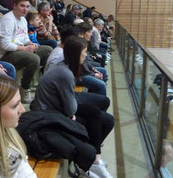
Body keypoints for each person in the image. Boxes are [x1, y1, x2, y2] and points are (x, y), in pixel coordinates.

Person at [31, 36, 114, 178]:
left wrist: (72, 111)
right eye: (84, 52)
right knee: (95, 115)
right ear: (76, 54)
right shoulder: (64, 73)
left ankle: (93, 159)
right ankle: (92, 161)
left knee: (107, 120)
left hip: (56, 108)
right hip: (48, 116)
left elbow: (69, 104)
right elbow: (71, 109)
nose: (86, 55)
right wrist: (71, 113)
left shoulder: (65, 68)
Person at [0, 0, 52, 103]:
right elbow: (5, 45)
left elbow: (25, 37)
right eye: (22, 6)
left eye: (27, 6)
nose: (25, 9)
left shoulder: (23, 20)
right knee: (34, 58)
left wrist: (31, 43)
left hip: (20, 49)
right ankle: (25, 88)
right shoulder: (8, 20)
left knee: (48, 50)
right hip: (5, 54)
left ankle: (42, 82)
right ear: (15, 5)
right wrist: (26, 48)